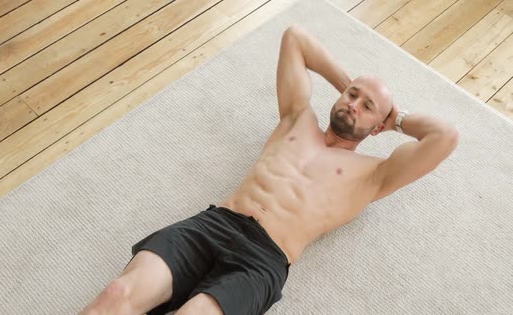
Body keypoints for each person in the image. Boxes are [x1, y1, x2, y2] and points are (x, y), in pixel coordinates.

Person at [80, 24, 459, 315]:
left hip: (262, 260)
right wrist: (351, 83)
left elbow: (445, 136)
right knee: (117, 295)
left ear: (377, 126)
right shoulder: (297, 118)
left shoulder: (374, 174)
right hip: (215, 224)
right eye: (351, 96)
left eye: (367, 106)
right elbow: (295, 38)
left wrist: (395, 119)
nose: (353, 104)